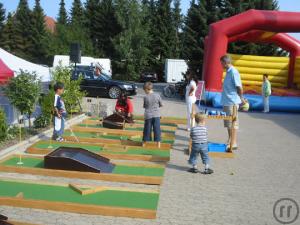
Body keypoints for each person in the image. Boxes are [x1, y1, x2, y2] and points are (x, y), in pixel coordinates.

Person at [220, 55, 246, 150]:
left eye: (221, 63)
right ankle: (230, 140)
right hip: (226, 102)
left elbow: (239, 87)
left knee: (233, 123)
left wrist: (241, 98)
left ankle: (234, 143)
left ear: (225, 62)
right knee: (228, 123)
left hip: (232, 102)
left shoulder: (234, 72)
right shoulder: (228, 72)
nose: (221, 65)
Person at [143, 82, 163, 148]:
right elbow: (161, 105)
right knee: (157, 129)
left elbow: (145, 106)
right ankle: (158, 144)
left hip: (148, 115)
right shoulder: (157, 95)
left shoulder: (145, 97)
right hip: (156, 115)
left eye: (144, 90)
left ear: (146, 89)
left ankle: (144, 143)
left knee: (147, 129)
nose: (144, 92)